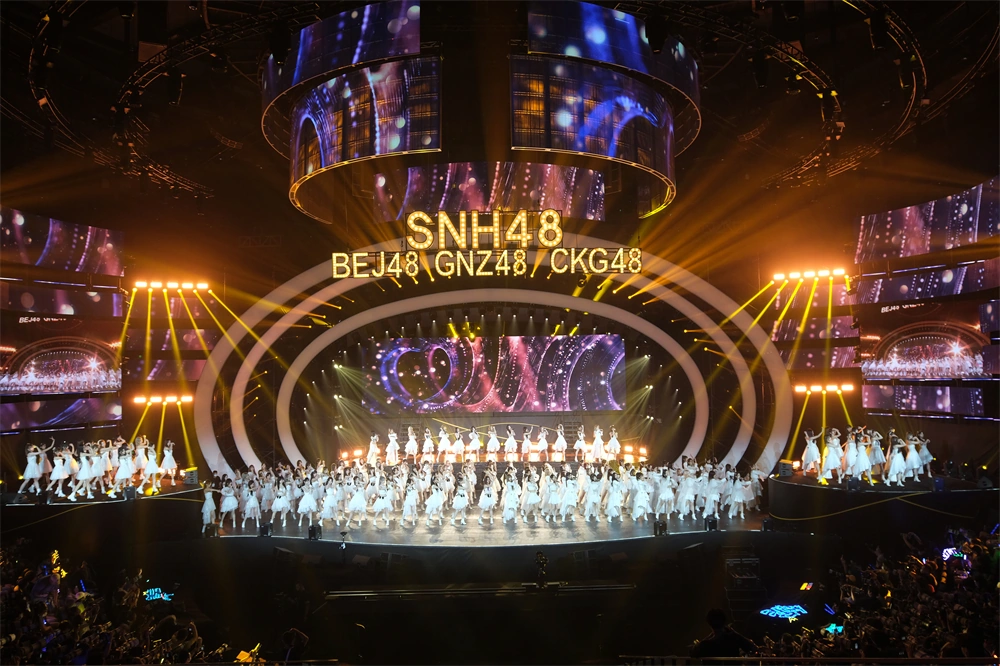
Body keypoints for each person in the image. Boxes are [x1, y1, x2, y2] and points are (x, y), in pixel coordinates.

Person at [690, 608, 757, 659]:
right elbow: (753, 647)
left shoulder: (705, 644)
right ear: (724, 621)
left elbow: (692, 652)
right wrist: (734, 632)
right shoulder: (734, 638)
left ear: (709, 623)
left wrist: (710, 635)